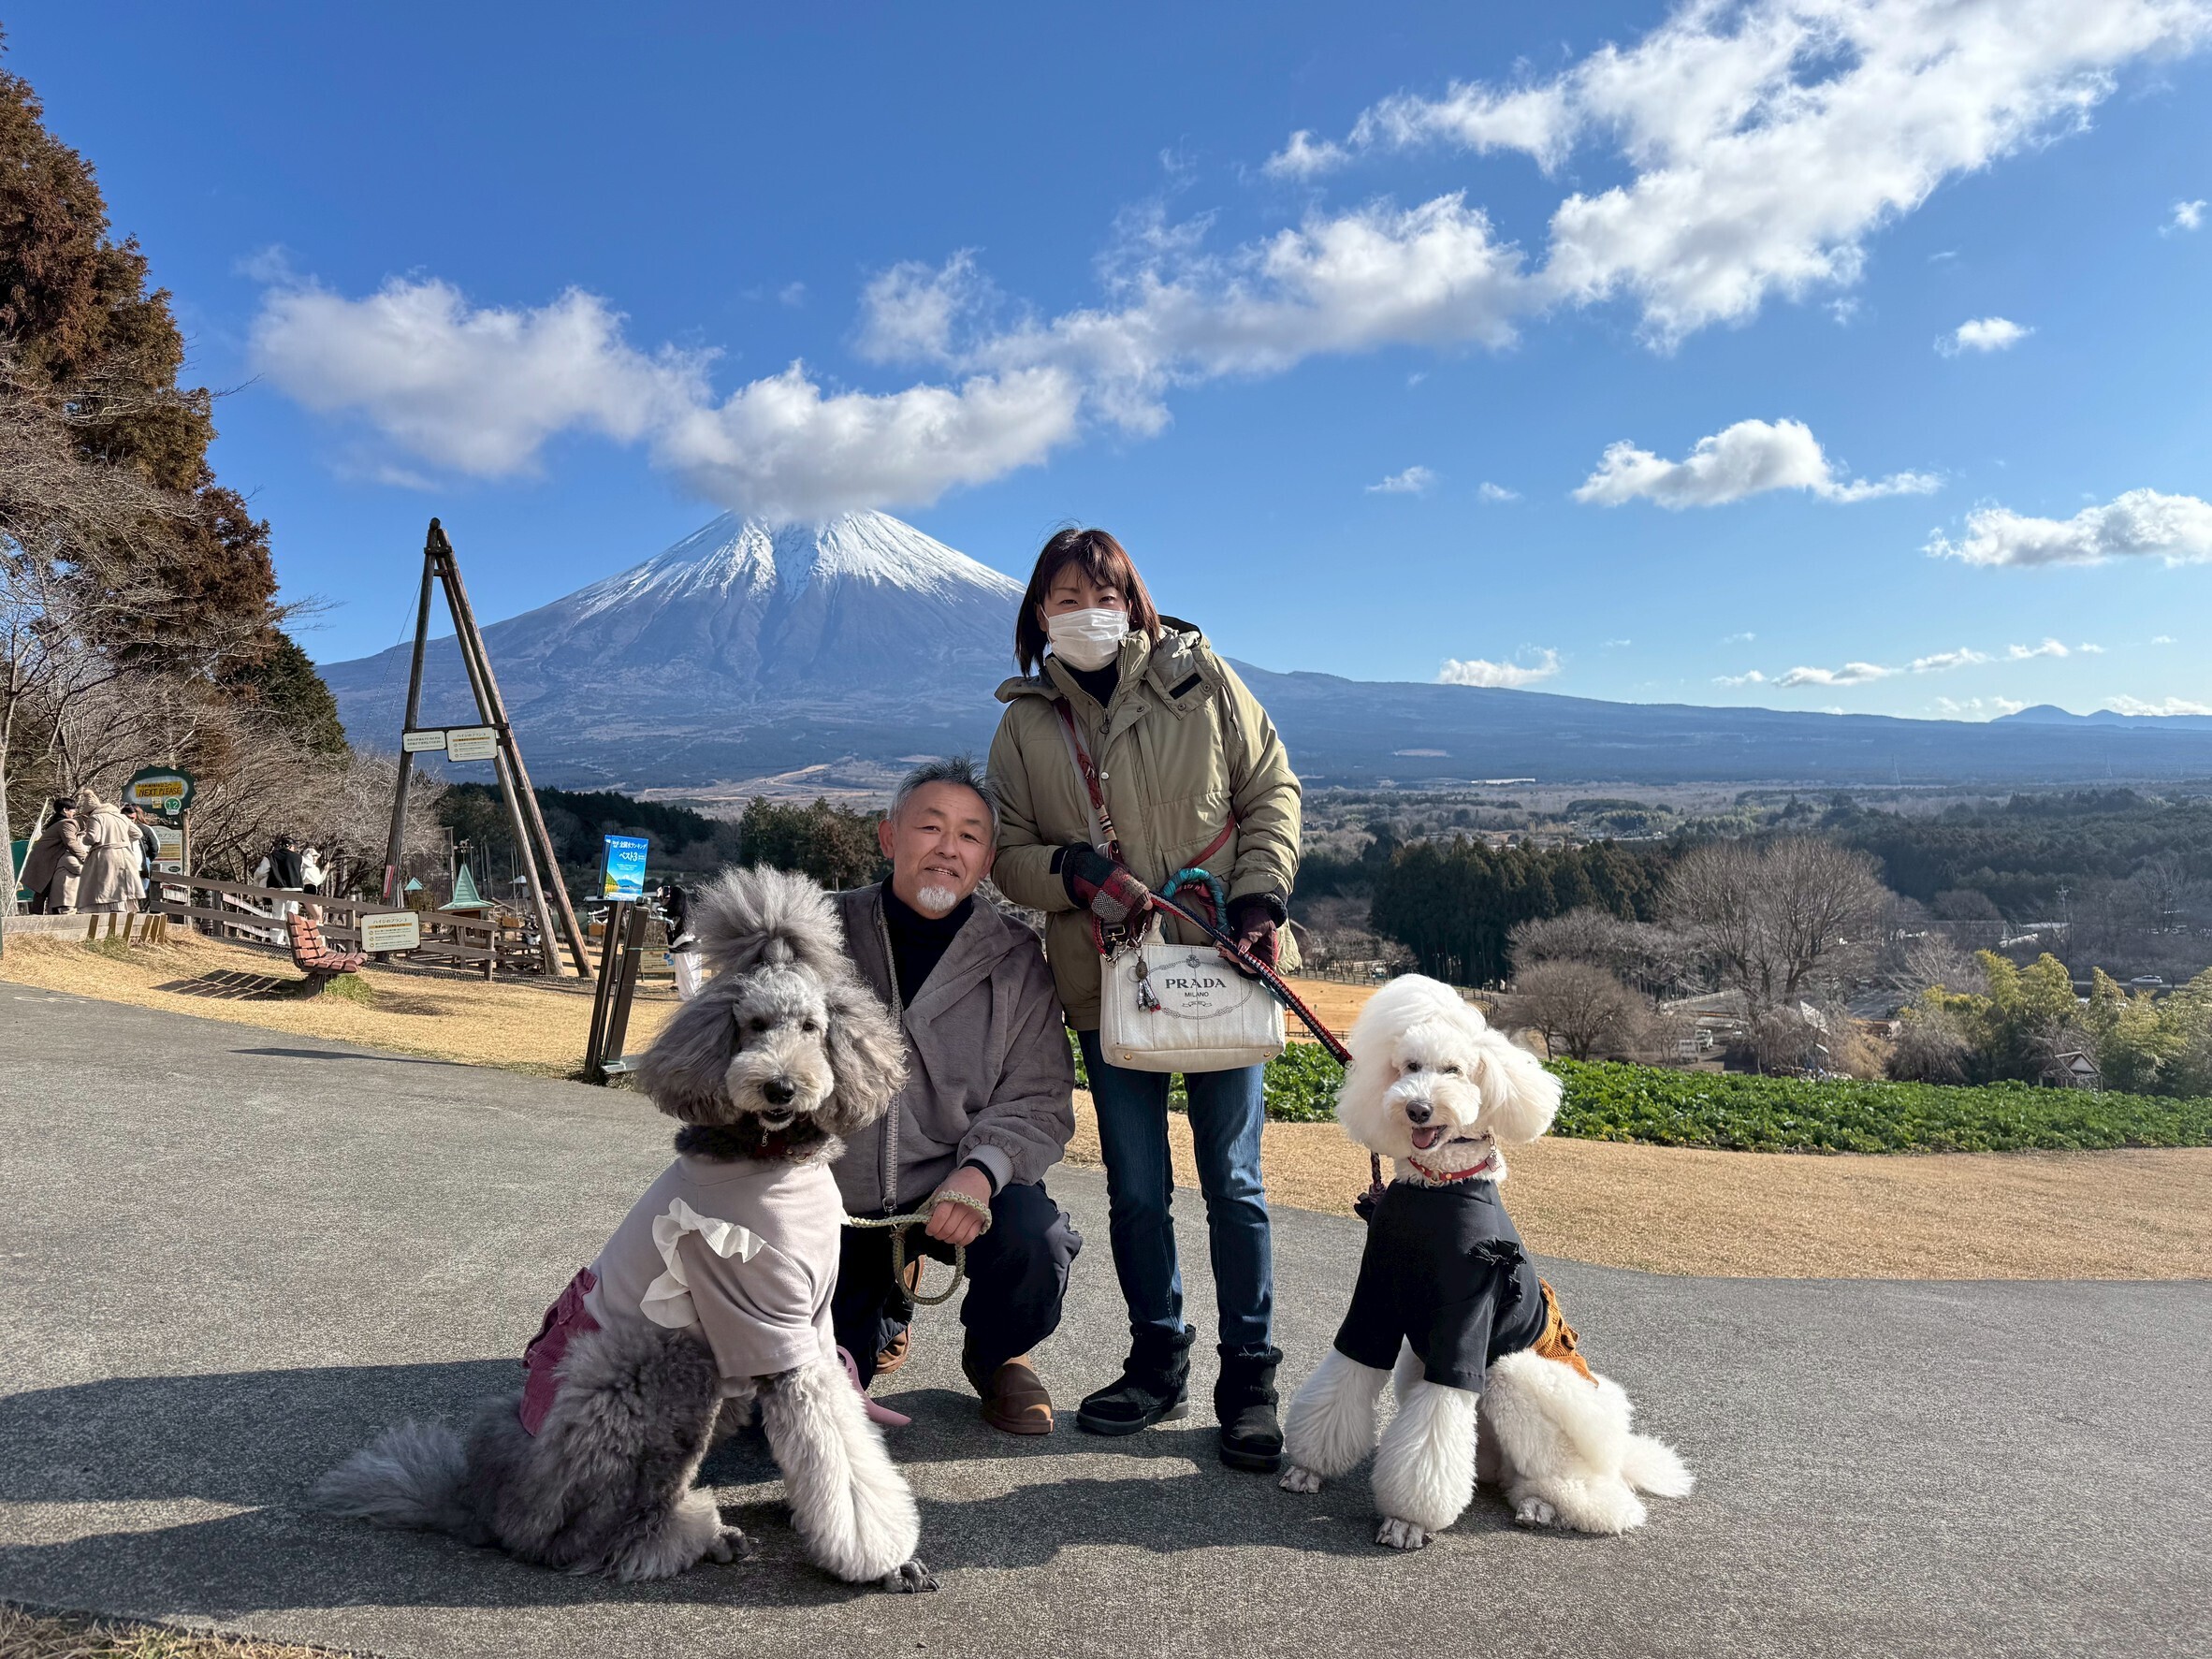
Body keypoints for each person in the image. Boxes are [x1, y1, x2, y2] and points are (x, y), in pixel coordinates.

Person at [986, 527, 1302, 1472]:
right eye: (1065, 595)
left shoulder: (1203, 683)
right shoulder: (1023, 724)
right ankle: (1156, 1358)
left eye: (1104, 592)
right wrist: (1072, 871)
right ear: (1038, 611)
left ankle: (1249, 1376)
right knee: (1134, 1190)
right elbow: (1004, 853)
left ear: (1134, 601)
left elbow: (1272, 790)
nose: (1087, 610)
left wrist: (1258, 898)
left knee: (1235, 1184)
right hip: (1106, 982)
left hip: (1220, 966)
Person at [830, 757, 1081, 1435]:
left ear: (989, 858)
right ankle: (883, 1304)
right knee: (793, 1419)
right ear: (888, 837)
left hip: (957, 1187)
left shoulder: (1015, 957)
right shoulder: (822, 932)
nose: (948, 848)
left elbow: (1040, 1096)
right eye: (930, 827)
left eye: (969, 835)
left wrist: (981, 1170)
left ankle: (998, 1355)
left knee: (1038, 1238)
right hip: (835, 1204)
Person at [72, 789, 143, 915]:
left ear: (89, 811)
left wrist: (83, 839)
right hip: (125, 854)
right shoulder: (121, 817)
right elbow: (138, 833)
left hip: (105, 854)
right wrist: (122, 840)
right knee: (121, 885)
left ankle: (103, 913)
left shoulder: (96, 817)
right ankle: (122, 910)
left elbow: (93, 838)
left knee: (105, 885)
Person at [20, 800, 81, 913]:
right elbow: (71, 843)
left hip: (43, 859)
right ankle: (37, 918)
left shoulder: (56, 822)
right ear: (65, 810)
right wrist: (85, 857)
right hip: (48, 861)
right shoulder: (67, 823)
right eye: (73, 810)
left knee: (41, 892)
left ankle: (36, 916)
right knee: (43, 891)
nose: (75, 813)